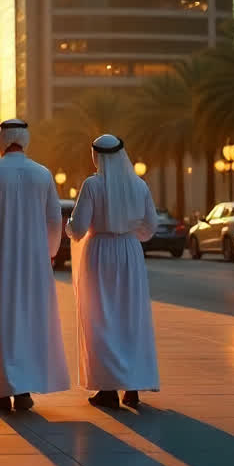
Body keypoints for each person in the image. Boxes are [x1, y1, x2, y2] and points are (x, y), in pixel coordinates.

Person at [0, 119, 70, 412]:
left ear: (1, 140)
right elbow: (53, 219)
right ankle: (23, 391)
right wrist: (48, 253)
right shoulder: (42, 174)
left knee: (0, 323)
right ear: (25, 139)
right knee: (28, 322)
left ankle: (2, 391)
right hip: (34, 263)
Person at [65, 133, 161, 410]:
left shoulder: (93, 185)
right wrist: (130, 235)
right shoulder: (139, 185)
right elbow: (150, 227)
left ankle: (107, 389)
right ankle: (132, 388)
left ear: (96, 156)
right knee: (131, 318)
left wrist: (68, 226)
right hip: (130, 253)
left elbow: (79, 227)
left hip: (100, 254)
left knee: (101, 318)